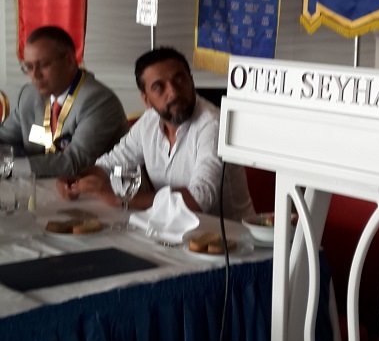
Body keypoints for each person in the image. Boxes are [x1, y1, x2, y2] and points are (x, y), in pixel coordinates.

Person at [58, 46, 254, 219]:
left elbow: (199, 198)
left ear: (191, 81)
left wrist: (122, 199)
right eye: (159, 87)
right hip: (172, 227)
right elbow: (110, 164)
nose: (173, 92)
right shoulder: (149, 121)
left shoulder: (213, 124)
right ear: (146, 100)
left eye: (180, 80)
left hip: (228, 237)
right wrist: (75, 180)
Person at [0, 25, 128, 177]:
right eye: (28, 66)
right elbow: (5, 138)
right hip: (37, 184)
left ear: (69, 61)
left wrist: (9, 167)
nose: (35, 75)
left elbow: (75, 162)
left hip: (88, 186)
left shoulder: (99, 101)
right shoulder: (29, 95)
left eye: (44, 65)